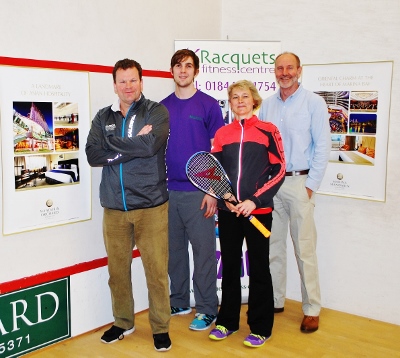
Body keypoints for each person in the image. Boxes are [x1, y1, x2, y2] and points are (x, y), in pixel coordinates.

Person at [85, 58, 172, 352]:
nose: (128, 86)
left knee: (156, 273)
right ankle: (123, 322)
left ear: (141, 82)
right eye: (122, 81)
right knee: (117, 272)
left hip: (151, 207)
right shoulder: (102, 117)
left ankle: (160, 327)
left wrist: (112, 144)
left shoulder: (157, 111)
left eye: (133, 80)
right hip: (114, 209)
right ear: (114, 85)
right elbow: (93, 155)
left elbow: (151, 146)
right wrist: (131, 145)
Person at [208, 80, 285, 348]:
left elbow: (279, 170)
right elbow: (213, 172)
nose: (240, 101)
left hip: (258, 212)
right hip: (228, 211)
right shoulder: (221, 134)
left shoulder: (268, 130)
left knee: (260, 269)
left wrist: (254, 200)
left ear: (254, 100)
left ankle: (261, 327)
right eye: (234, 97)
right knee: (229, 267)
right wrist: (225, 199)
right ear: (230, 103)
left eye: (245, 96)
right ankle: (226, 322)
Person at [258, 52, 331, 333]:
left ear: (299, 70)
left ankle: (312, 309)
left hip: (300, 183)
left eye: (289, 67)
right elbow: (263, 146)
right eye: (279, 68)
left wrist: (311, 186)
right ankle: (276, 299)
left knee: (305, 250)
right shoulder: (267, 106)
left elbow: (323, 147)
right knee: (272, 246)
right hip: (272, 184)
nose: (284, 72)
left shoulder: (314, 103)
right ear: (274, 72)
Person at [160, 49, 224, 331]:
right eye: (178, 66)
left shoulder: (209, 105)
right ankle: (179, 300)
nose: (183, 70)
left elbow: (220, 151)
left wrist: (213, 191)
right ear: (171, 71)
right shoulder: (161, 108)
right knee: (174, 253)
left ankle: (208, 308)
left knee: (204, 254)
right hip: (168, 193)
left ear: (196, 71)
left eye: (188, 66)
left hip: (201, 193)